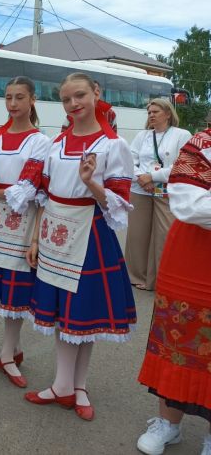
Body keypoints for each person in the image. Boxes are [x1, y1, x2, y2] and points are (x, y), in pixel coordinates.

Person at [24, 72, 136, 422]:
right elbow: (42, 192)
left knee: (83, 316)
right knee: (61, 313)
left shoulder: (112, 145)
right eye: (66, 99)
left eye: (80, 96)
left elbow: (119, 203)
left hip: (90, 233)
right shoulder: (56, 143)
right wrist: (35, 236)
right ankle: (61, 384)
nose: (74, 104)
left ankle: (80, 385)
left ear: (95, 93)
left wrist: (91, 183)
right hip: (54, 230)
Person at [135, 127, 211, 455]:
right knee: (178, 337)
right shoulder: (203, 143)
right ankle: (169, 423)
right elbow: (189, 203)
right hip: (193, 260)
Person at [0, 77, 51, 387]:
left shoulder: (39, 141)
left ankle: (7, 353)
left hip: (22, 223)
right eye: (8, 97)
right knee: (2, 287)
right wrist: (4, 190)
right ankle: (13, 349)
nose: (13, 103)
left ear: (32, 100)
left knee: (15, 289)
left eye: (20, 97)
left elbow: (32, 186)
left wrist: (0, 189)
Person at [126, 99, 191, 291]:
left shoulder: (181, 135)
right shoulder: (142, 136)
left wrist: (152, 176)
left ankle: (160, 279)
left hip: (166, 190)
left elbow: (182, 164)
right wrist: (140, 178)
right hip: (140, 189)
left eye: (155, 111)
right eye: (149, 112)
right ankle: (137, 275)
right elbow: (130, 160)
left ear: (168, 114)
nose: (151, 115)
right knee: (137, 235)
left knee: (163, 234)